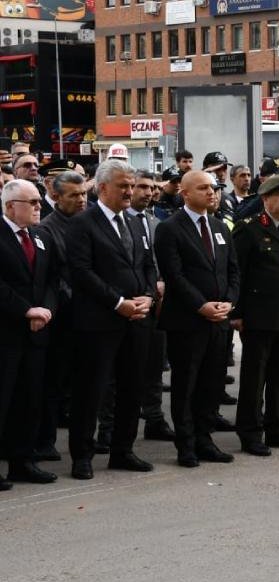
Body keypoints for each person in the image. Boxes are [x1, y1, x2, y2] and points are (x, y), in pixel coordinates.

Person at [64, 160, 158, 480]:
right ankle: (82, 455)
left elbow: (146, 263)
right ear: (102, 188)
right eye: (123, 186)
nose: (130, 191)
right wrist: (118, 303)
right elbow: (82, 273)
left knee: (132, 389)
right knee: (91, 391)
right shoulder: (83, 224)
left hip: (136, 320)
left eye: (131, 185)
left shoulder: (133, 222)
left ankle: (123, 450)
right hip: (99, 323)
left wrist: (148, 295)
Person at [154, 169, 241, 468]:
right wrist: (201, 305)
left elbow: (232, 270)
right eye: (203, 188)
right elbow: (174, 275)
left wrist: (229, 302)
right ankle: (186, 445)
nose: (212, 192)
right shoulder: (170, 228)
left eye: (214, 188)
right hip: (187, 322)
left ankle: (206, 439)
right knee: (186, 384)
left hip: (218, 320)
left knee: (212, 383)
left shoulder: (219, 226)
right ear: (185, 193)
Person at [230, 173, 279, 455]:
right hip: (258, 316)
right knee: (255, 378)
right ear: (265, 199)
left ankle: (278, 427)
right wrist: (237, 313)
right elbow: (237, 273)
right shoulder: (249, 229)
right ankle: (250, 432)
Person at [95, 171, 174, 448]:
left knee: (152, 368)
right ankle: (107, 428)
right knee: (115, 377)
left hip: (153, 305)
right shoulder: (115, 222)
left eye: (151, 188)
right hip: (120, 307)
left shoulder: (156, 222)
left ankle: (154, 418)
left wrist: (155, 289)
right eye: (139, 186)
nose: (145, 192)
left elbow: (157, 263)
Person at [0, 179, 61, 487]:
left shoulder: (40, 237)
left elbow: (51, 280)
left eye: (39, 201)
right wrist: (26, 310)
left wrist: (45, 310)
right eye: (33, 202)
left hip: (37, 333)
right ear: (11, 206)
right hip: (6, 333)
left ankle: (23, 461)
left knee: (29, 400)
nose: (40, 207)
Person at [33, 170, 88, 462]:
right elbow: (54, 277)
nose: (81, 200)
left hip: (91, 316)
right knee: (53, 384)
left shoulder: (89, 222)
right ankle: (45, 440)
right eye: (74, 196)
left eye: (84, 194)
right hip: (64, 318)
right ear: (55, 197)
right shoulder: (47, 229)